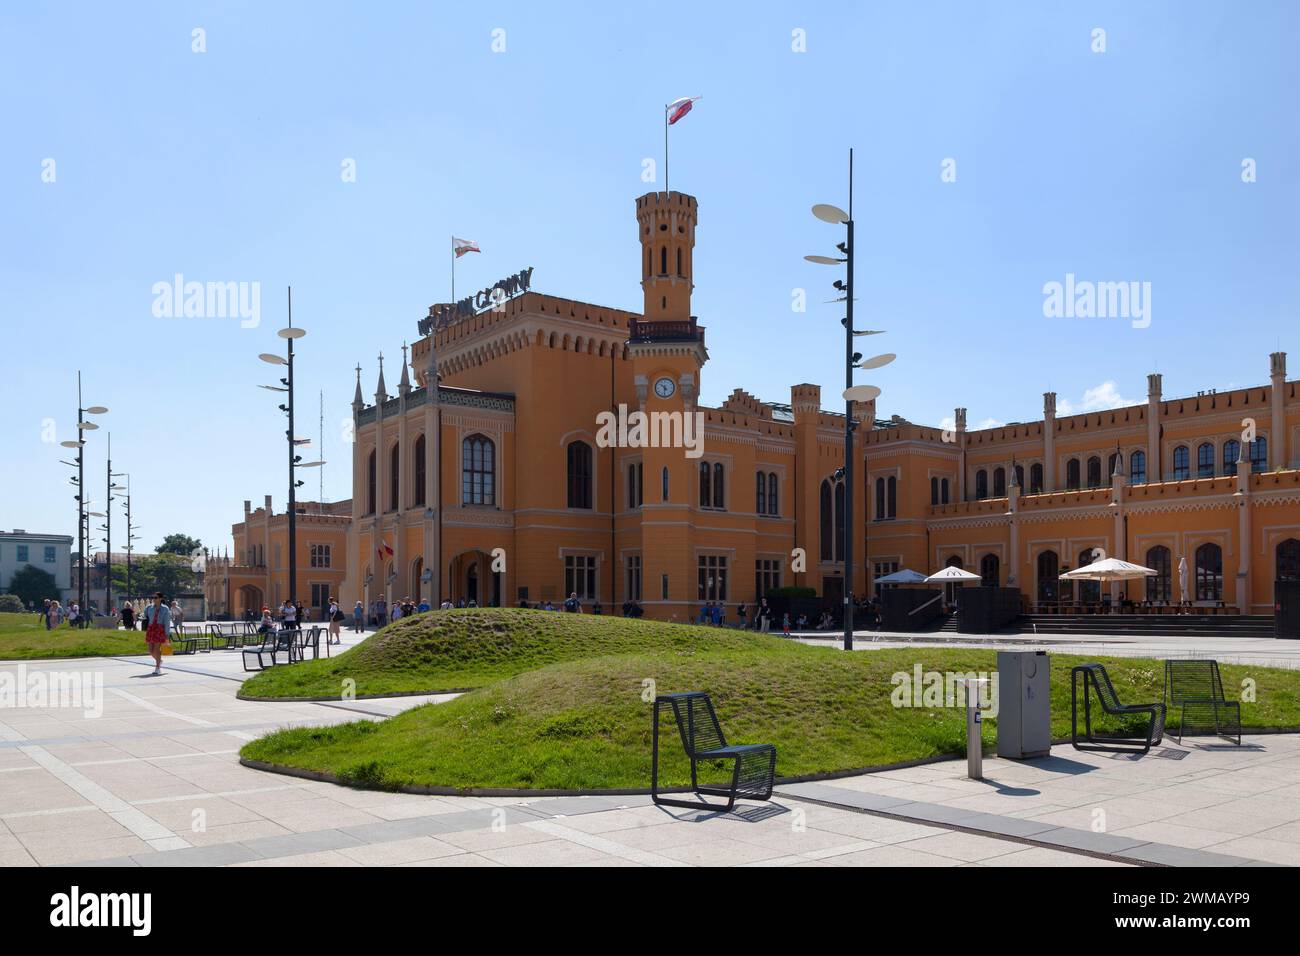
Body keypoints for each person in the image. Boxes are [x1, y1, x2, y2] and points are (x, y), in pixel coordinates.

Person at [141, 592, 172, 676]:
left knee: (156, 649)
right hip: (151, 629)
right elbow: (144, 615)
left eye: (156, 597)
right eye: (153, 597)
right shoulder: (149, 607)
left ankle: (157, 668)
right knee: (151, 650)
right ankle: (159, 660)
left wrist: (167, 634)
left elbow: (167, 622)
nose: (154, 599)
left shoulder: (165, 609)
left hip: (159, 629)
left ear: (160, 598)